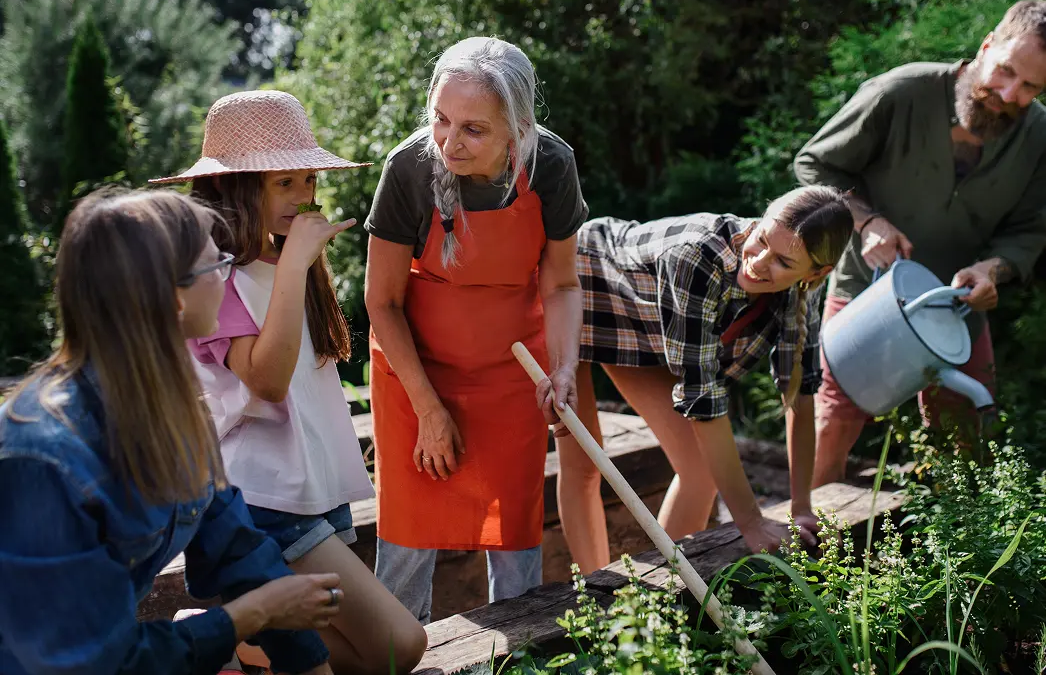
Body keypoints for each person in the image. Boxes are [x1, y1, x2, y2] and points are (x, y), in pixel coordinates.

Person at [0, 188, 342, 675]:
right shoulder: (41, 458)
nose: (227, 274)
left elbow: (236, 548)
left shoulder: (172, 409)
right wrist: (247, 618)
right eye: (215, 264)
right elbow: (85, 662)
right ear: (172, 298)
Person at [151, 90, 427, 674]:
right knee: (401, 646)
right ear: (233, 186)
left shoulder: (283, 261)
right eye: (285, 182)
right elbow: (268, 384)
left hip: (315, 488)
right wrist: (298, 263)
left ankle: (233, 643)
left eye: (308, 180)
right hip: (265, 500)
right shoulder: (216, 279)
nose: (304, 196)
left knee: (364, 658)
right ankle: (224, 639)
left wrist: (296, 264)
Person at [364, 36, 587, 623]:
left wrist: (563, 367)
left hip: (513, 373)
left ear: (517, 128)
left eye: (473, 129)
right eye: (441, 120)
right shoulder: (408, 169)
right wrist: (429, 410)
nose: (449, 142)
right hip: (415, 372)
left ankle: (517, 659)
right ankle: (396, 660)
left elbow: (561, 285)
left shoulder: (552, 166)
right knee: (408, 544)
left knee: (515, 536)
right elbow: (381, 303)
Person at [794, 0, 1046, 486]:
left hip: (958, 307)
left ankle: (959, 548)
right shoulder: (900, 91)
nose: (1011, 94)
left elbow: (1031, 230)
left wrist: (994, 269)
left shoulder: (1039, 135)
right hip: (868, 289)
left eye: (1031, 86)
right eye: (1006, 71)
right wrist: (867, 221)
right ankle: (806, 549)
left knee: (966, 431)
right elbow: (816, 165)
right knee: (835, 415)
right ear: (987, 45)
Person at [556, 186, 854, 573]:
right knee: (584, 461)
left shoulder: (803, 290)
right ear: (760, 220)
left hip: (649, 329)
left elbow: (799, 392)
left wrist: (802, 507)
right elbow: (703, 402)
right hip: (584, 280)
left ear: (817, 273)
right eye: (761, 240)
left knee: (698, 472)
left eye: (782, 261)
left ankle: (665, 599)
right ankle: (595, 599)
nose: (760, 263)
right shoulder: (697, 257)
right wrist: (750, 521)